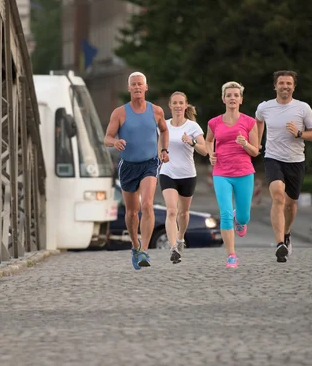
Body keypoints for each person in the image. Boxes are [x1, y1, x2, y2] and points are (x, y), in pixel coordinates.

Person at [104, 72, 169, 269]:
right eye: (134, 84)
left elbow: (164, 130)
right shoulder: (119, 113)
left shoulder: (156, 111)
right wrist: (115, 141)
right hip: (128, 166)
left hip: (149, 163)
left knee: (147, 204)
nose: (137, 87)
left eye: (140, 84)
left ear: (146, 87)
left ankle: (145, 252)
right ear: (129, 88)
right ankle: (135, 245)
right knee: (132, 212)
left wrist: (164, 150)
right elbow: (107, 137)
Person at [256, 70, 312, 262]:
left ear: (294, 86)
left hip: (295, 161)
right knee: (277, 195)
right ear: (275, 86)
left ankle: (286, 233)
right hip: (273, 158)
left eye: (289, 83)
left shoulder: (303, 108)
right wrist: (258, 142)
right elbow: (258, 122)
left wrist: (300, 134)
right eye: (281, 83)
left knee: (291, 204)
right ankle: (279, 244)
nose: (285, 86)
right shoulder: (265, 107)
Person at [206, 81, 260, 268]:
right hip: (221, 173)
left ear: (241, 100)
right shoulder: (214, 122)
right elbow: (208, 141)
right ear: (223, 98)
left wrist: (244, 143)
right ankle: (231, 256)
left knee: (243, 216)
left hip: (244, 172)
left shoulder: (249, 122)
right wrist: (210, 153)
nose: (232, 98)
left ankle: (241, 219)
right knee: (225, 214)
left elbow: (255, 151)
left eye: (236, 95)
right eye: (228, 95)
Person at [158, 91, 208, 264]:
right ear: (170, 106)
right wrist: (161, 155)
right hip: (168, 172)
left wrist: (191, 142)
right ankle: (173, 248)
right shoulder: (164, 125)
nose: (178, 106)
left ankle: (180, 239)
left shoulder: (193, 127)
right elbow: (159, 146)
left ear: (186, 105)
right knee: (171, 210)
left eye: (181, 103)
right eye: (175, 103)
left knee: (183, 212)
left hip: (187, 174)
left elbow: (205, 150)